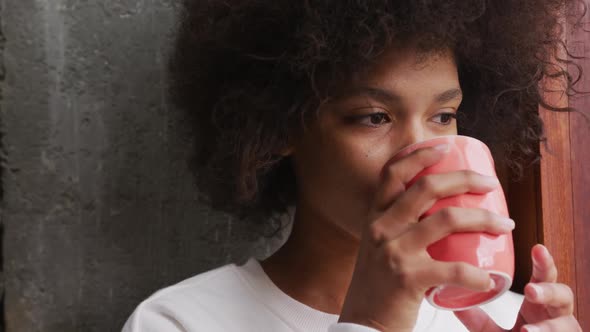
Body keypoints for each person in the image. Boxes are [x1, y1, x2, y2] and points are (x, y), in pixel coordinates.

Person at [123, 0, 584, 331]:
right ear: (280, 125)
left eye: (443, 116)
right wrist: (370, 324)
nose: (420, 151)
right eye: (374, 117)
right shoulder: (180, 322)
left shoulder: (502, 319)